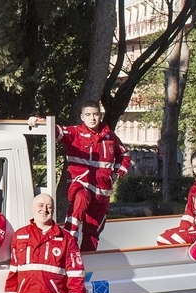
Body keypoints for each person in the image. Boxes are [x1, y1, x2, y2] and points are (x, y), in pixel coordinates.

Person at [29, 103, 131, 252]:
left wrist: (116, 173)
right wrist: (40, 121)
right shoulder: (76, 133)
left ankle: (87, 262)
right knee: (80, 199)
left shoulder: (109, 135)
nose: (92, 118)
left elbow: (124, 155)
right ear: (82, 117)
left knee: (93, 232)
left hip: (102, 194)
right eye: (88, 115)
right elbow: (57, 131)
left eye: (95, 114)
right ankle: (69, 245)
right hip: (81, 184)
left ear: (100, 115)